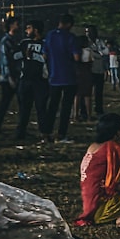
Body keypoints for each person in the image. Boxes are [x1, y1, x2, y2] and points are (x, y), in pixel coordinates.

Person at [74, 112, 120, 228]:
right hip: (103, 209)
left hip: (92, 209)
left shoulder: (93, 147)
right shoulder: (113, 147)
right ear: (117, 132)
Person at [43, 12, 81, 143]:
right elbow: (77, 57)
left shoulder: (50, 35)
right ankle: (61, 134)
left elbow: (45, 55)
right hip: (69, 76)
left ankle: (46, 133)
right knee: (66, 107)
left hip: (54, 76)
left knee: (52, 106)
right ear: (69, 24)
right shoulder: (71, 37)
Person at [13, 19, 50, 142]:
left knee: (41, 108)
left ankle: (44, 132)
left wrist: (33, 56)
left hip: (40, 81)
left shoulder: (45, 43)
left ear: (36, 30)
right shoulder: (24, 42)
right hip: (25, 80)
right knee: (24, 108)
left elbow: (46, 59)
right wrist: (24, 55)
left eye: (28, 28)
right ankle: (21, 132)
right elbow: (15, 56)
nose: (26, 30)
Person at [0, 16, 21, 134]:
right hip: (9, 77)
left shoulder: (14, 40)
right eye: (17, 24)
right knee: (5, 102)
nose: (19, 26)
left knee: (18, 103)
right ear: (12, 25)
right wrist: (10, 77)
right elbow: (5, 61)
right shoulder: (6, 41)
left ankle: (20, 128)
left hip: (15, 76)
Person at [85, 25, 109, 115]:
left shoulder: (100, 42)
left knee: (99, 92)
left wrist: (98, 53)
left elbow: (106, 51)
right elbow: (90, 53)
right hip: (90, 70)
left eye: (89, 31)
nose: (87, 33)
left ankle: (98, 109)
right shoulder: (86, 42)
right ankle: (86, 111)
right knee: (87, 92)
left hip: (100, 70)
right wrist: (99, 54)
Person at [74, 35, 93, 122]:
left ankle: (75, 115)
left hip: (77, 74)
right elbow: (91, 61)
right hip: (87, 73)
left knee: (77, 96)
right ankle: (89, 116)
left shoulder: (76, 51)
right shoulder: (88, 51)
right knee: (87, 96)